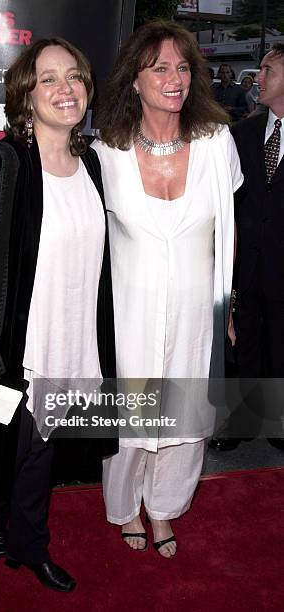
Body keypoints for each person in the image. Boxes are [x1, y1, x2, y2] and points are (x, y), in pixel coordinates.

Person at [0, 37, 116, 591]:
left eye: (74, 77)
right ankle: (13, 532)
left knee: (35, 453)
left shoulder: (90, 162)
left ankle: (17, 534)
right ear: (26, 95)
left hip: (71, 338)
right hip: (11, 344)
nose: (65, 88)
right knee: (3, 449)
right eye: (49, 79)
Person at [93, 20, 242, 556]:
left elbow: (228, 232)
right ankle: (124, 504)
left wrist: (227, 306)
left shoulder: (216, 143)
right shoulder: (107, 152)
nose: (174, 78)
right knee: (130, 418)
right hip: (127, 311)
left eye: (183, 67)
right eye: (160, 68)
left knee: (183, 419)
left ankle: (163, 510)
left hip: (194, 312)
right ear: (135, 79)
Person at [209, 43, 284, 452]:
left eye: (268, 70)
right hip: (247, 266)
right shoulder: (243, 134)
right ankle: (240, 422)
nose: (258, 77)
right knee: (244, 345)